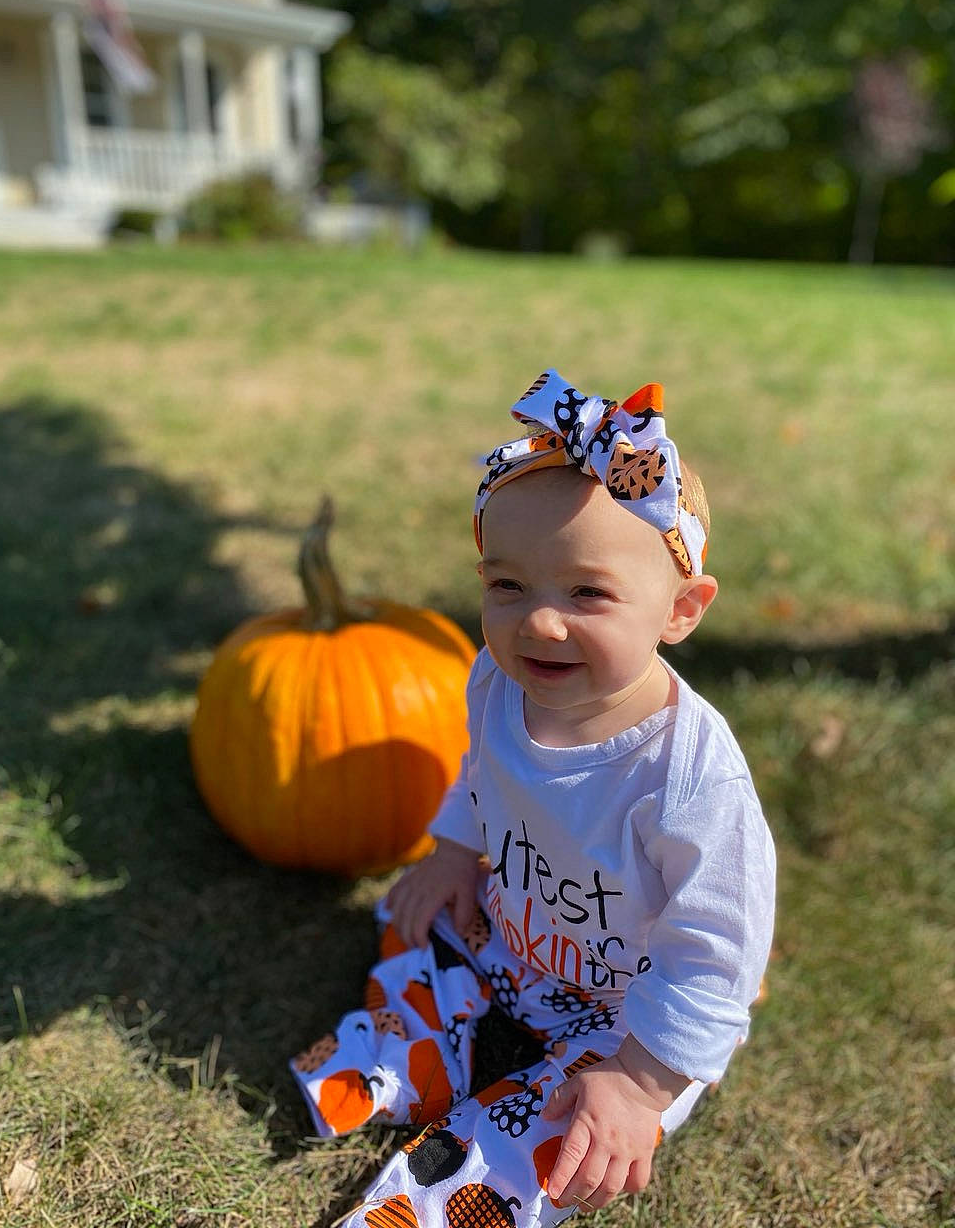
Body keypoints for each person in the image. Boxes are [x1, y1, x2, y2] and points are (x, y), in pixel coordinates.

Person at [291, 370, 776, 1227]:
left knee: (555, 1136)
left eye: (587, 593)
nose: (538, 624)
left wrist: (640, 1081)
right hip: (520, 941)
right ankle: (420, 1055)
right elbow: (483, 773)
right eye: (507, 586)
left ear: (682, 609)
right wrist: (449, 854)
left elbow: (716, 951)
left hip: (630, 1010)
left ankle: (441, 1194)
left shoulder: (689, 776)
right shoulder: (497, 681)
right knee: (415, 917)